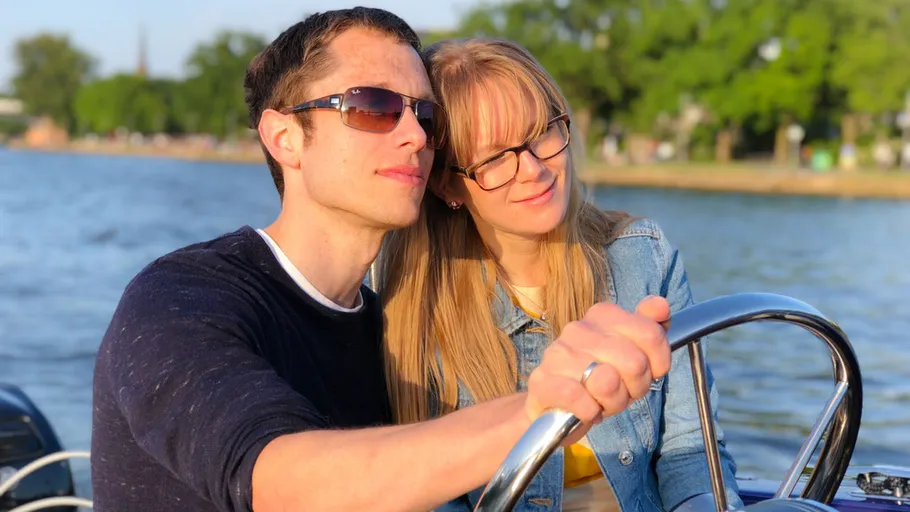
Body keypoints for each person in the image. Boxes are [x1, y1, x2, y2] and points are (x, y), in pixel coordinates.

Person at [90, 8, 676, 512]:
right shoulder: (179, 301)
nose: (415, 136)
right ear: (284, 137)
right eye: (372, 106)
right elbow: (285, 486)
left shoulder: (394, 329)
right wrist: (540, 413)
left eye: (425, 115)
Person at [378, 37, 743, 512]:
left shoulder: (643, 258)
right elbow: (428, 493)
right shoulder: (410, 300)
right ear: (450, 185)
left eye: (542, 133)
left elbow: (690, 451)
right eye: (494, 158)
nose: (532, 169)